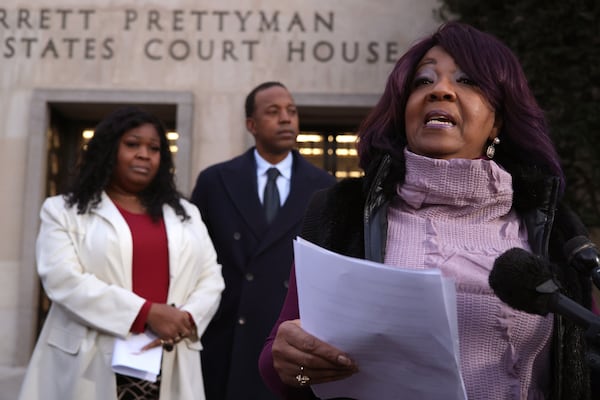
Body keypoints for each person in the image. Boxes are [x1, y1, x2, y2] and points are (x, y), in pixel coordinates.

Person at [258, 22, 595, 400]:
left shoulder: (554, 226)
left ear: (497, 120)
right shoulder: (342, 211)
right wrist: (294, 366)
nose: (440, 90)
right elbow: (279, 364)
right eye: (423, 82)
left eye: (468, 81)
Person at [18, 106, 225, 400]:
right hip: (89, 363)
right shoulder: (63, 210)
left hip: (167, 358)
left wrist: (187, 318)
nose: (144, 154)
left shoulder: (186, 214)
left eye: (154, 148)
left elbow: (211, 276)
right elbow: (62, 279)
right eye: (132, 144)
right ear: (107, 150)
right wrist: (146, 313)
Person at [190, 81, 336, 400]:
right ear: (251, 125)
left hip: (289, 346)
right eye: (273, 112)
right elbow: (192, 261)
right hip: (225, 343)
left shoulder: (325, 188)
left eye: (292, 111)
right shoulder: (215, 181)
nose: (286, 119)